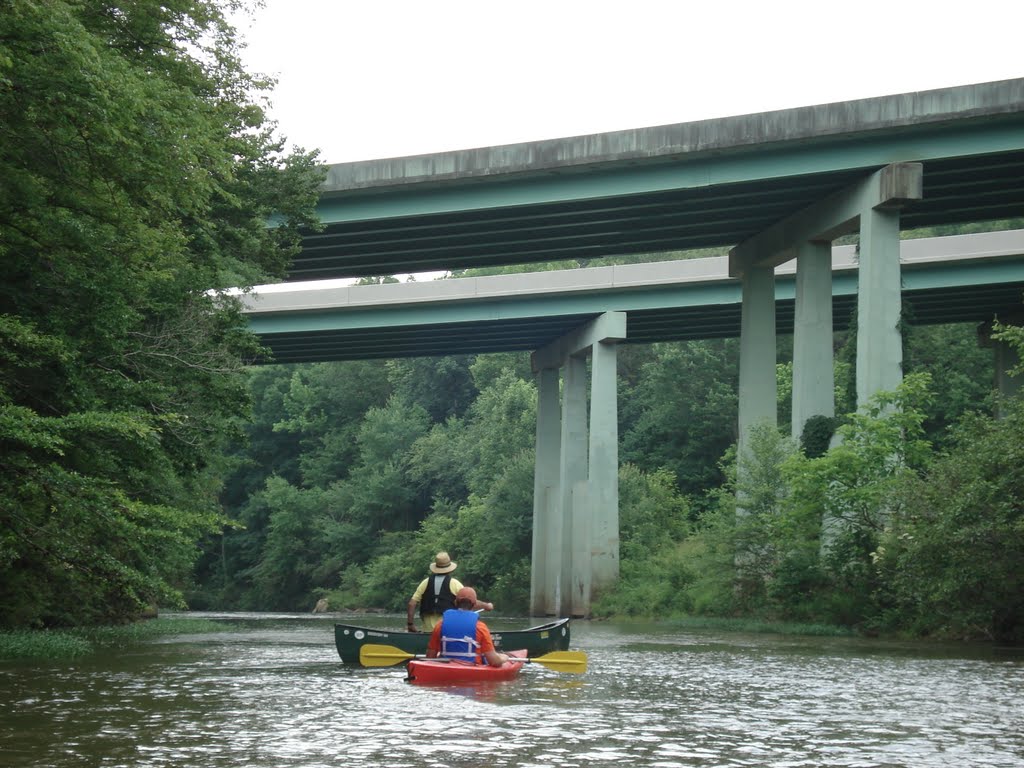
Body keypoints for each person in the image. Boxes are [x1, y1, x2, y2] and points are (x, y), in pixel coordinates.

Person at [407, 551, 494, 633]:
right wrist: (486, 606)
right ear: (450, 569)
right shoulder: (455, 584)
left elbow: (411, 604)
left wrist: (410, 624)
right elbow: (470, 601)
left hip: (428, 631)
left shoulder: (425, 583)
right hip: (448, 631)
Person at [426, 586, 509, 667]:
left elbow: (430, 657)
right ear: (475, 604)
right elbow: (495, 662)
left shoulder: (440, 625)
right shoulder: (480, 627)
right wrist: (504, 657)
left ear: (455, 602)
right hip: (472, 669)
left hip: (445, 668)